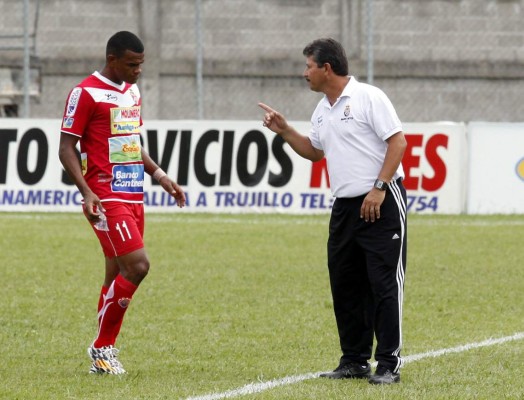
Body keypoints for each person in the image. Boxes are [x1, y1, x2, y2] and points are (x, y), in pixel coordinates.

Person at [259, 38, 407, 385]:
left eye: (308, 66)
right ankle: (354, 360)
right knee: (345, 283)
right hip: (344, 208)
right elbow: (314, 151)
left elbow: (397, 142)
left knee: (384, 284)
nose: (304, 73)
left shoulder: (369, 97)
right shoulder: (322, 109)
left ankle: (388, 363)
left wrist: (380, 188)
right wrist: (285, 131)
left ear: (327, 68)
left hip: (381, 202)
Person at [59, 31, 186, 375]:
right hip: (105, 196)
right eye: (132, 64)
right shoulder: (84, 92)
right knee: (138, 267)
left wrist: (160, 176)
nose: (137, 71)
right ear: (112, 59)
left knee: (117, 273)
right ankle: (102, 348)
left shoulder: (132, 91)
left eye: (141, 65)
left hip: (133, 194)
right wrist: (87, 192)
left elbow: (131, 141)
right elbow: (66, 147)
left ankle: (102, 356)